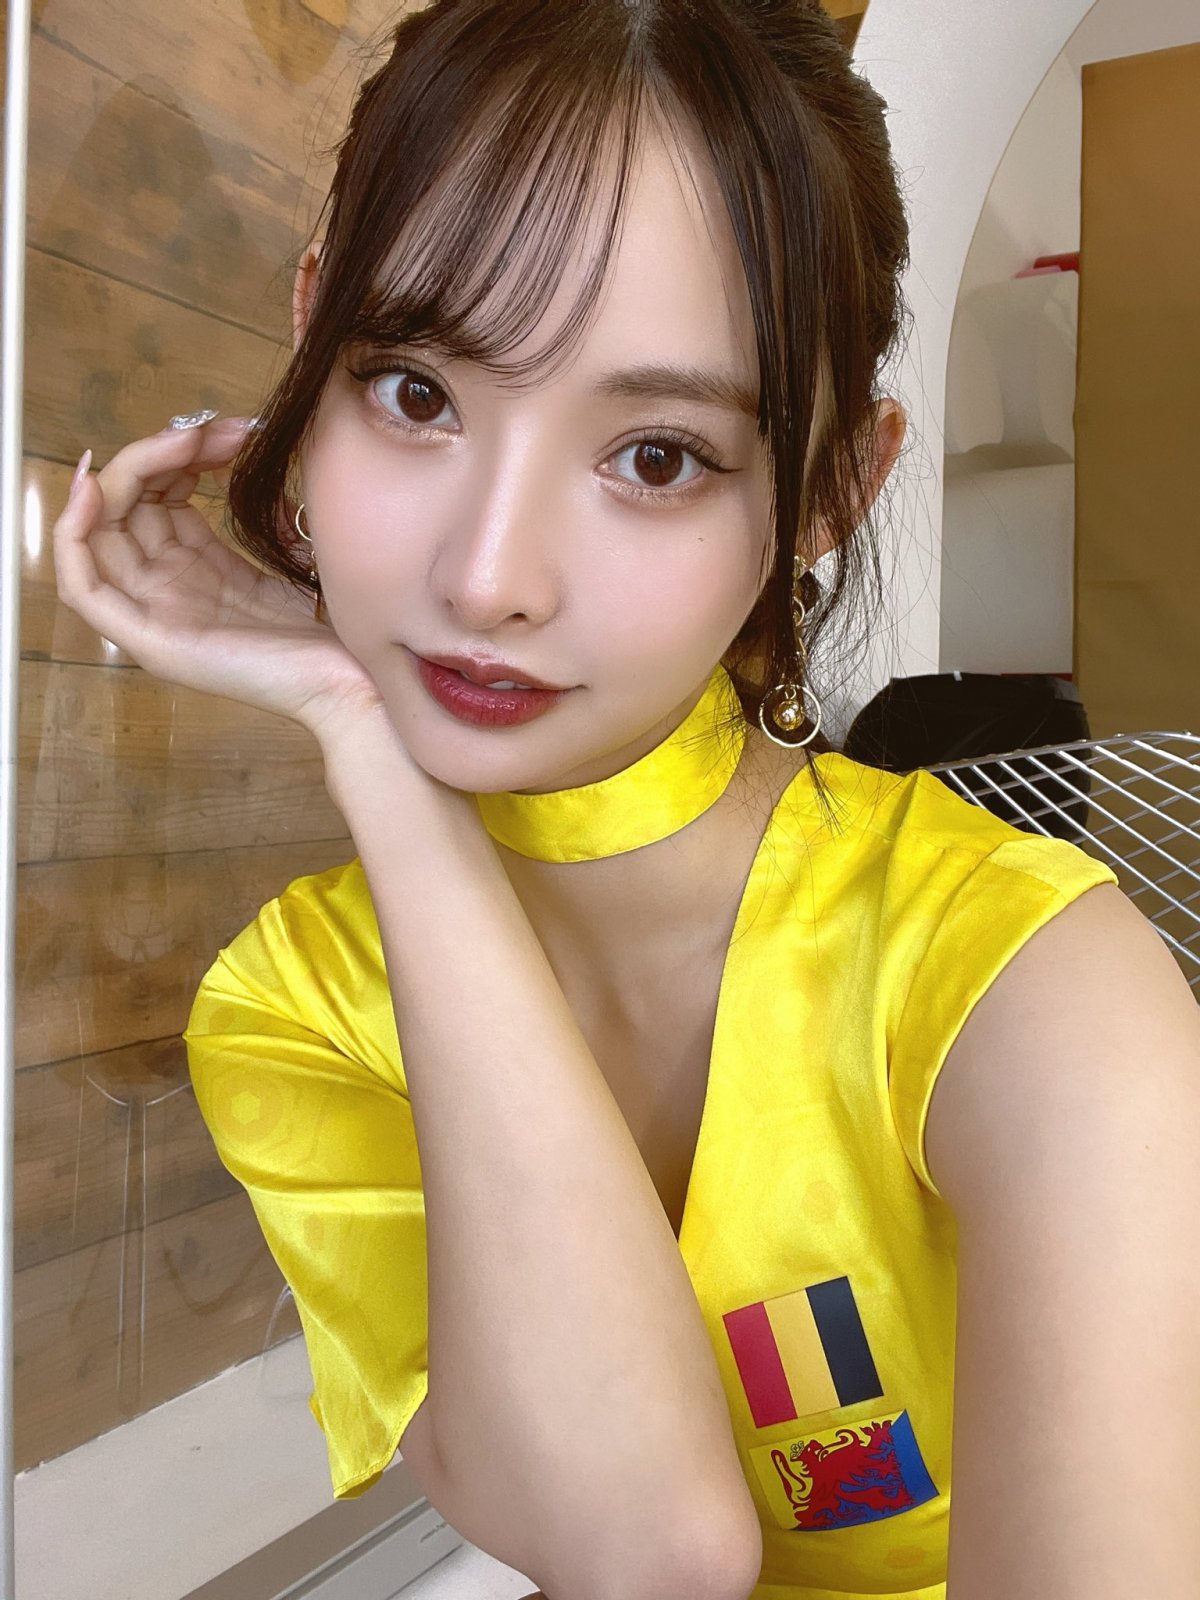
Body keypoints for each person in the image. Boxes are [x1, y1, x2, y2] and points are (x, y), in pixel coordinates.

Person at [52, 3, 1200, 1598]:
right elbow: (638, 1543)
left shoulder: (1033, 989)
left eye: (656, 457)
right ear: (312, 341)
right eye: (413, 390)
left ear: (827, 492)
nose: (488, 577)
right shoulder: (297, 1008)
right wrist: (369, 745)